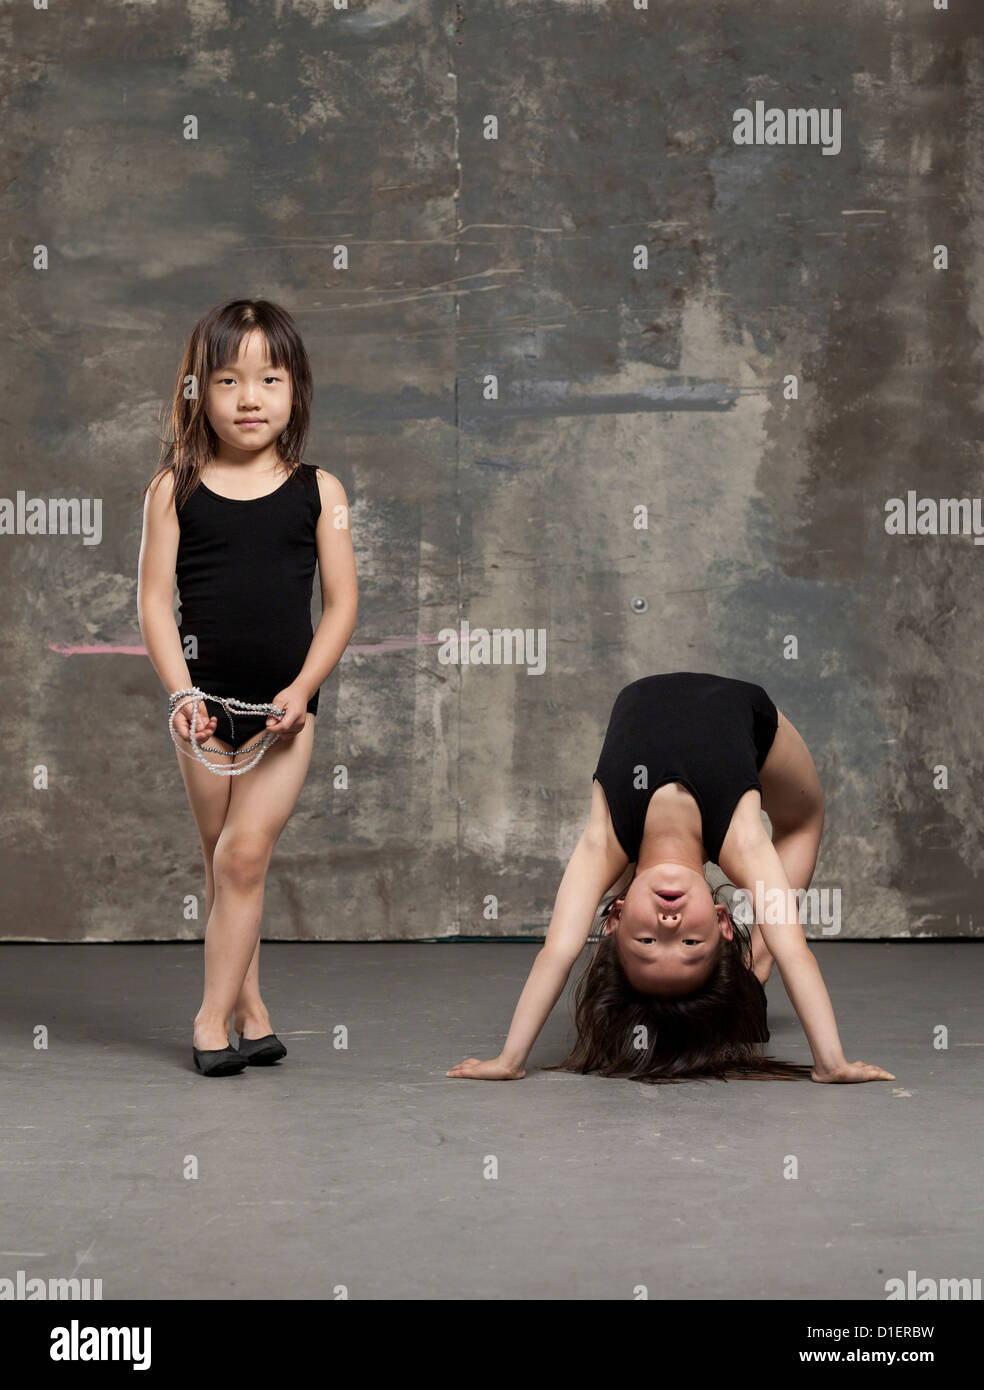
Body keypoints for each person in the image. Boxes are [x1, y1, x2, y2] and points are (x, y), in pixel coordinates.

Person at [448, 672, 896, 1085]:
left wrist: (510, 1060)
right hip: (746, 711)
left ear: (615, 917)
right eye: (690, 945)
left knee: (629, 867)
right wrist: (830, 1062)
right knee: (803, 820)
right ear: (723, 922)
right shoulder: (742, 842)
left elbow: (558, 951)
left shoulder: (603, 842)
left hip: (644, 697)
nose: (668, 927)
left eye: (645, 943)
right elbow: (793, 950)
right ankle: (753, 971)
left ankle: (736, 975)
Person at [137, 298, 357, 1076]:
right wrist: (181, 693)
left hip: (281, 714)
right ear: (199, 390)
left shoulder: (319, 492)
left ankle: (209, 1020)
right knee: (225, 858)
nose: (250, 398)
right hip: (200, 710)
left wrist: (302, 688)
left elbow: (342, 604)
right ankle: (254, 1010)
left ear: (295, 388)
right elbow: (155, 602)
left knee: (242, 857)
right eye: (228, 381)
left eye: (269, 378)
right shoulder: (175, 488)